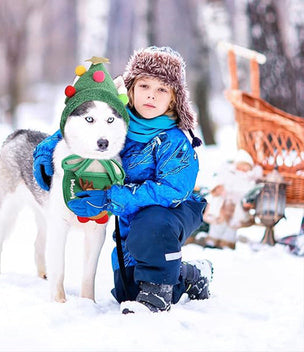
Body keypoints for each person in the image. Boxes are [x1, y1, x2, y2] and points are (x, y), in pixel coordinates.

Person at [33, 46, 212, 314]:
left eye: (162, 89)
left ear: (174, 99)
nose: (151, 94)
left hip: (171, 210)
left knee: (151, 224)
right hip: (129, 216)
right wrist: (45, 153)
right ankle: (188, 275)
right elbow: (75, 129)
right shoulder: (117, 122)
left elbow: (174, 189)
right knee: (126, 290)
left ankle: (158, 296)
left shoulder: (174, 139)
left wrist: (111, 197)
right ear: (130, 89)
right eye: (144, 85)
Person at [204, 149, 263, 249]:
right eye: (241, 165)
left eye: (246, 166)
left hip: (237, 206)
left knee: (232, 225)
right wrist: (219, 189)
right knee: (218, 223)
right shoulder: (228, 172)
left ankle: (227, 242)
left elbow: (248, 191)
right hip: (223, 203)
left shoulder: (249, 178)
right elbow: (219, 182)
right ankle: (212, 240)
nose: (243, 169)